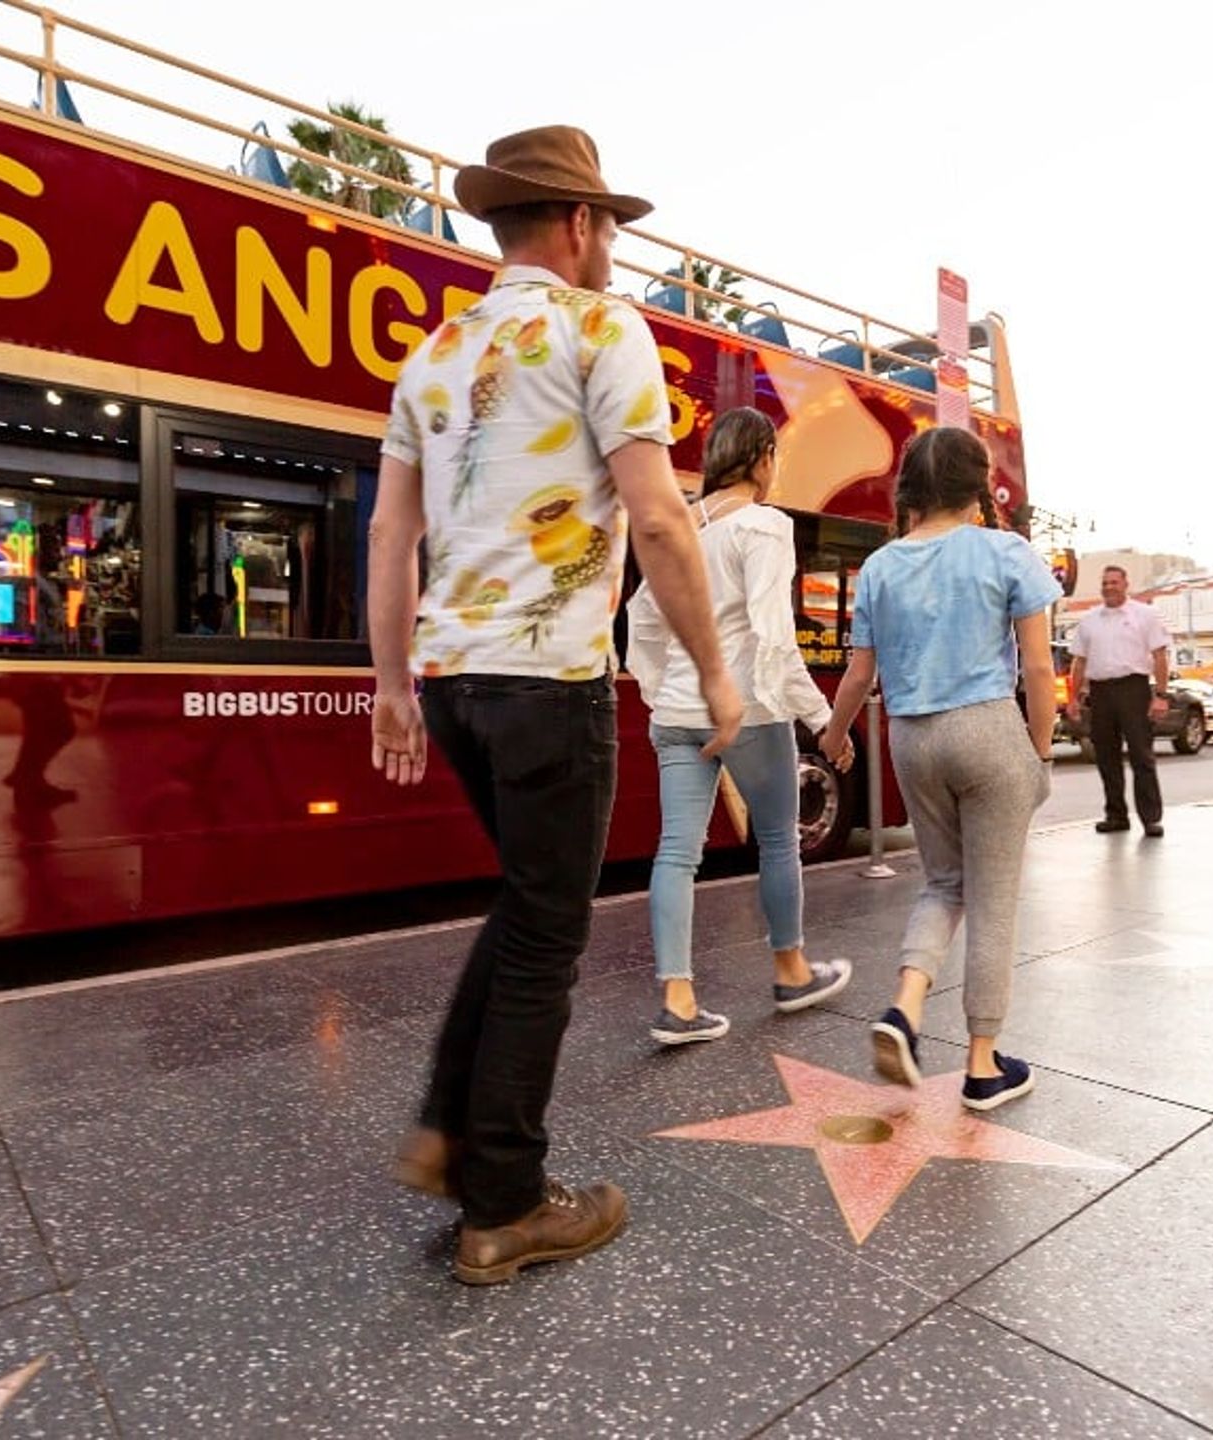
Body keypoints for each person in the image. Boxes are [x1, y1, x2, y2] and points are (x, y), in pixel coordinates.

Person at [366, 125, 742, 1285]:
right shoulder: (599, 328)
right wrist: (716, 674)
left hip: (455, 682)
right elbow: (664, 516)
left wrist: (389, 685)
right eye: (611, 227)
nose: (615, 248)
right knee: (548, 937)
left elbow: (393, 533)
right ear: (579, 226)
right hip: (549, 684)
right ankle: (509, 1203)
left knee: (525, 910)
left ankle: (448, 1135)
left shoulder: (430, 359)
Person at [819, 427, 1059, 1111]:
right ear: (976, 484)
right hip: (986, 731)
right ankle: (983, 1064)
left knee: (942, 884)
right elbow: (1038, 669)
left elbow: (858, 675)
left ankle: (904, 1008)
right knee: (993, 899)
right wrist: (1039, 755)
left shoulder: (881, 567)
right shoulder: (1005, 550)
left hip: (911, 740)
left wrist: (837, 737)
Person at [627, 407, 854, 1046]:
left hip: (677, 712)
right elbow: (775, 637)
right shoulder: (763, 526)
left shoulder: (681, 525)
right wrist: (821, 717)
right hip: (749, 709)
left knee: (677, 852)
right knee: (779, 840)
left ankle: (678, 1001)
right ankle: (790, 972)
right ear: (761, 458)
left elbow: (640, 619)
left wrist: (659, 689)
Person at [1067, 564, 1171, 838]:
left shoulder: (1145, 615)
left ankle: (1150, 819)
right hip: (1100, 692)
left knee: (1141, 755)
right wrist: (1073, 699)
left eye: (1114, 582)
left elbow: (1160, 656)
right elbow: (1079, 661)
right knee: (1106, 756)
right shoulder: (1089, 620)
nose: (1109, 587)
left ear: (1126, 585)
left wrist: (1160, 695)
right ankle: (1116, 815)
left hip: (1133, 689)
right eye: (1105, 583)